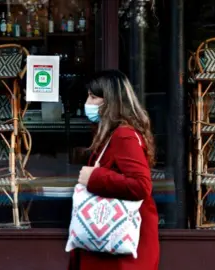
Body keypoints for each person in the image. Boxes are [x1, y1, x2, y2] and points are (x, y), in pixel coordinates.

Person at [68, 70, 159, 270]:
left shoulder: (123, 135)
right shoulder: (114, 134)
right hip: (111, 247)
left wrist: (94, 177)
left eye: (93, 97)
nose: (87, 102)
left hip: (119, 254)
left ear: (110, 101)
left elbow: (142, 186)